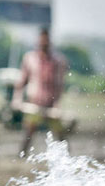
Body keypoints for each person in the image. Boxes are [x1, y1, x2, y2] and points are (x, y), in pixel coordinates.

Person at [12, 28, 69, 156]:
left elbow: (60, 85)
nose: (43, 45)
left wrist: (57, 104)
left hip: (51, 103)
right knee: (29, 131)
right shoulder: (30, 59)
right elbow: (21, 81)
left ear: (50, 43)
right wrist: (17, 99)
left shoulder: (58, 61)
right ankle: (22, 156)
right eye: (41, 43)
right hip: (34, 103)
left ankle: (67, 157)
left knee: (59, 133)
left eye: (46, 43)